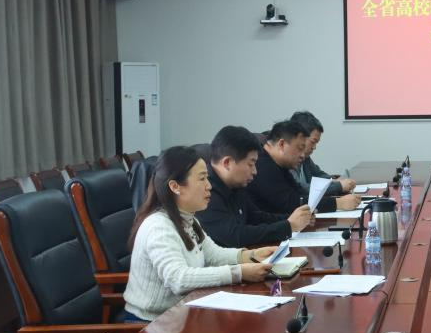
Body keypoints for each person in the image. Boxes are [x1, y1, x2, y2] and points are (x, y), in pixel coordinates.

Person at [123, 145, 277, 321]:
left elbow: (213, 255)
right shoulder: (159, 227)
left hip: (181, 314)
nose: (209, 186)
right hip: (150, 324)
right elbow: (178, 279)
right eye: (202, 179)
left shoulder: (187, 219)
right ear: (175, 186)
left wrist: (252, 255)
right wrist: (238, 273)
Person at [198, 125, 314, 248]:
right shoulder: (205, 190)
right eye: (251, 164)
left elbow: (255, 217)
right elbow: (234, 236)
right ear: (227, 163)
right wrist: (288, 226)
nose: (255, 171)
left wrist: (295, 219)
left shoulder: (235, 184)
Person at [247, 120, 361, 216]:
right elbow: (291, 203)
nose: (303, 155)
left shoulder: (278, 163)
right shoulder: (262, 165)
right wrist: (338, 203)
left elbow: (300, 193)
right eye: (300, 148)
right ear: (282, 144)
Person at [290, 111, 355, 196]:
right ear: (300, 137)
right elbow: (301, 188)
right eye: (313, 142)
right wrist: (339, 186)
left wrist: (334, 181)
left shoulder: (305, 157)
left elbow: (318, 174)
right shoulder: (289, 160)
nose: (314, 147)